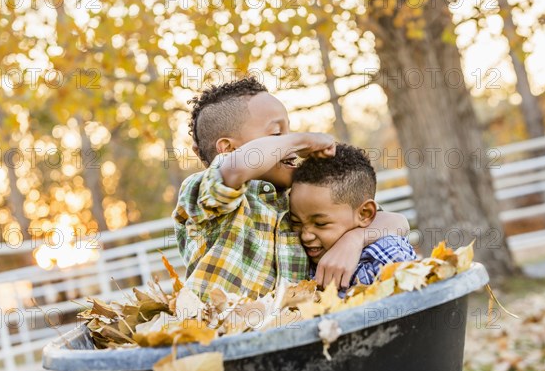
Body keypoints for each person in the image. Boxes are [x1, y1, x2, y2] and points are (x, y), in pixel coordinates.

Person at [173, 77, 409, 300]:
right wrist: (303, 139)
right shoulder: (206, 193)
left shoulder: (296, 198)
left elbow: (395, 222)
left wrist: (355, 238)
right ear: (228, 149)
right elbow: (236, 169)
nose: (290, 145)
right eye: (277, 134)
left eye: (289, 133)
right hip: (222, 333)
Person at [290, 143, 416, 293]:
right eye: (296, 222)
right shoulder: (306, 257)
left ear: (364, 214)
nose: (305, 235)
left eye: (320, 223)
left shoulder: (385, 255)